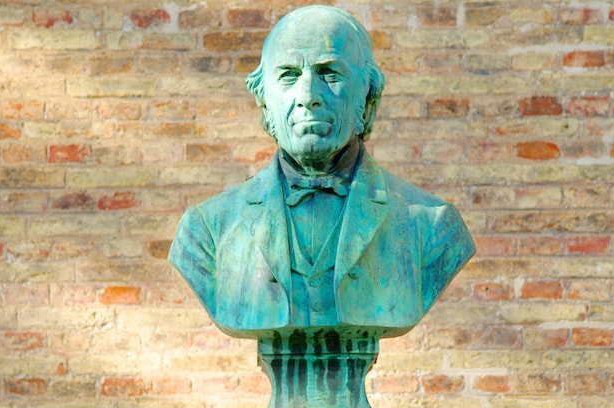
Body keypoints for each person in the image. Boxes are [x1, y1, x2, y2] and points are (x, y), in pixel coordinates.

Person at [168, 5, 474, 341]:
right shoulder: (207, 229)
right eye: (288, 75)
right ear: (264, 100)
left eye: (330, 73)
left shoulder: (431, 226)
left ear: (368, 95)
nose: (308, 97)